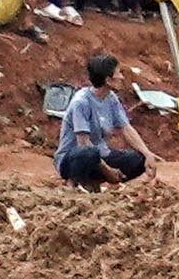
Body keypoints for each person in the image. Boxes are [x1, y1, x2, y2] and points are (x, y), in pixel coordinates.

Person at [54, 53, 154, 188]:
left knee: (138, 159)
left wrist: (147, 154)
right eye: (118, 73)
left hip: (100, 156)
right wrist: (108, 171)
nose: (122, 77)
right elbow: (83, 143)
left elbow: (126, 128)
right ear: (108, 80)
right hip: (74, 159)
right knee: (88, 153)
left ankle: (92, 183)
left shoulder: (111, 98)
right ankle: (73, 181)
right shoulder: (81, 102)